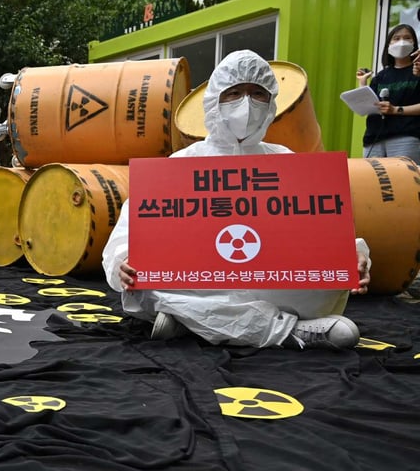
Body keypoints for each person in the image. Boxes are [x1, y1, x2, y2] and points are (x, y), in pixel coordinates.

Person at [102, 50, 371, 350]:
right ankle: (291, 330)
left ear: (271, 103)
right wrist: (124, 261)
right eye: (234, 93)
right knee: (142, 288)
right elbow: (129, 231)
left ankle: (189, 320)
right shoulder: (179, 165)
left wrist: (352, 256)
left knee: (325, 282)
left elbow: (322, 227)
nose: (246, 104)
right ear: (214, 100)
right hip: (203, 282)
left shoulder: (287, 161)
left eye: (258, 93)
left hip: (266, 282)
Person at [356, 24, 420, 162]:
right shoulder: (380, 76)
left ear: (414, 44)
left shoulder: (417, 72)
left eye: (407, 38)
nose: (401, 42)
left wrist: (396, 110)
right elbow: (368, 106)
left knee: (403, 176)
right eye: (396, 38)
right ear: (388, 45)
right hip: (374, 139)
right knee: (371, 176)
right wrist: (362, 83)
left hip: (405, 138)